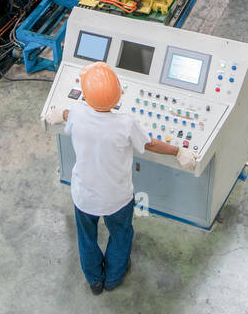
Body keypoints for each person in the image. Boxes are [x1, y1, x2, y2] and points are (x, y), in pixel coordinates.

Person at [46, 62, 195, 295]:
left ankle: (95, 281)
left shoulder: (77, 114)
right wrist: (178, 151)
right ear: (118, 95)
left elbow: (68, 114)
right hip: (116, 198)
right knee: (120, 234)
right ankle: (114, 278)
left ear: (85, 94)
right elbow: (149, 144)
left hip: (84, 196)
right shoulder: (125, 124)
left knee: (86, 237)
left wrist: (58, 114)